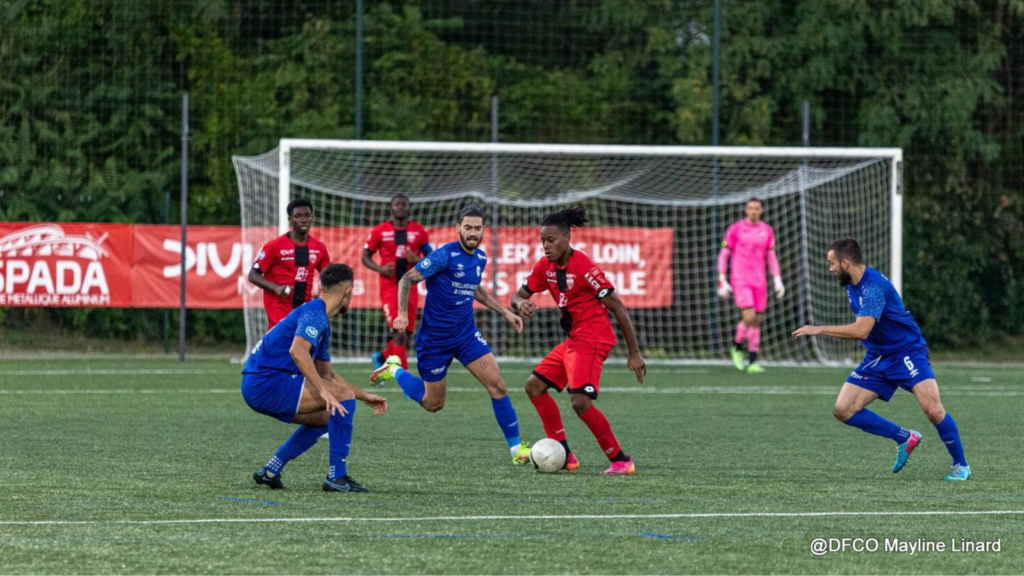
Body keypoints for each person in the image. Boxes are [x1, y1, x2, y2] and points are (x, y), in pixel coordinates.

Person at [793, 238, 971, 481]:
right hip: (878, 356)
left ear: (845, 262)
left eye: (832, 263)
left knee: (932, 410)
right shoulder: (851, 284)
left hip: (907, 351)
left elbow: (861, 330)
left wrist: (819, 329)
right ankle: (904, 437)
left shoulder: (873, 288)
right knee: (843, 409)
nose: (830, 268)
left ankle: (961, 465)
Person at [369, 205, 532, 465]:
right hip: (435, 341)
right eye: (468, 227)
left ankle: (516, 450)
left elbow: (476, 289)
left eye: (478, 228)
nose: (473, 233)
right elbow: (407, 280)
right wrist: (402, 313)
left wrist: (505, 312)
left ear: (483, 231)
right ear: (458, 228)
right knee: (433, 404)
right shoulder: (443, 256)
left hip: (466, 335)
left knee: (498, 385)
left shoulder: (479, 258)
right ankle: (394, 370)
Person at [511, 206, 647, 476]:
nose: (546, 246)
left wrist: (634, 353)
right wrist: (520, 303)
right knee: (534, 387)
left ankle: (621, 460)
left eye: (551, 240)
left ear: (566, 239)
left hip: (594, 337)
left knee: (579, 401)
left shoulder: (584, 267)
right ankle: (563, 455)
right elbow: (518, 295)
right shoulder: (544, 267)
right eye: (542, 241)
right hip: (574, 339)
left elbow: (618, 307)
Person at [242, 263, 389, 492]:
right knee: (339, 399)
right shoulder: (315, 313)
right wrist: (324, 392)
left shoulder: (320, 320)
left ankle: (271, 469)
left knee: (325, 416)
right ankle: (337, 478)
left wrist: (363, 395)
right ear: (348, 291)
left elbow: (326, 374)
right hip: (266, 382)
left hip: (261, 383)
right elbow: (297, 351)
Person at [362, 194, 433, 371]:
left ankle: (382, 357)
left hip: (411, 288)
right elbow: (365, 257)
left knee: (406, 337)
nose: (400, 207)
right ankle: (406, 381)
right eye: (397, 204)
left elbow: (431, 258)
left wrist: (417, 259)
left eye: (404, 204)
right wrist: (380, 269)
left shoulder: (418, 231)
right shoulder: (379, 231)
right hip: (390, 288)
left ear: (409, 208)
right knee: (399, 332)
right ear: (391, 209)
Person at [717, 197, 785, 373]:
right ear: (746, 210)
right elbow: (724, 255)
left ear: (761, 210)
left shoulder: (767, 231)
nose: (753, 211)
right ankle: (737, 346)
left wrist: (777, 279)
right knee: (748, 317)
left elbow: (771, 257)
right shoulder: (735, 229)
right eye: (750, 208)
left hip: (760, 281)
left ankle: (753, 361)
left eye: (757, 208)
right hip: (741, 280)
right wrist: (722, 279)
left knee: (756, 321)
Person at [248, 198, 331, 330]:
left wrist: (323, 294)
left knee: (303, 350)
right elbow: (253, 275)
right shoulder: (274, 247)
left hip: (306, 314)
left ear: (311, 218)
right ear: (290, 219)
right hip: (279, 315)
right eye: (298, 216)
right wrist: (275, 287)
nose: (303, 220)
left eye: (307, 215)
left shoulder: (319, 247)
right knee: (282, 350)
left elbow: (329, 276)